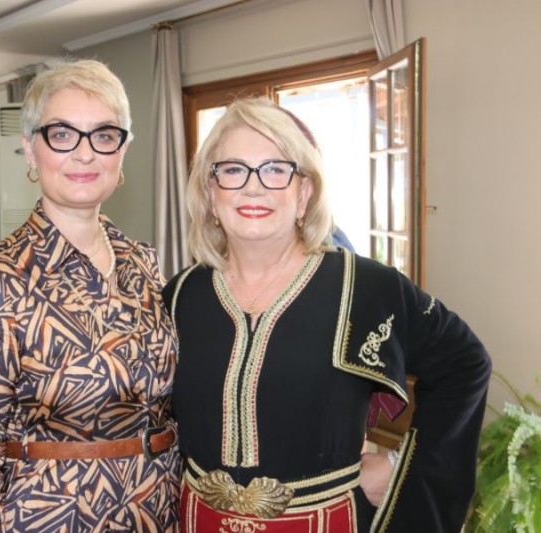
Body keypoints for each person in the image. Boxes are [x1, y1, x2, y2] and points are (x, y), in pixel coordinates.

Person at [163, 97, 491, 532]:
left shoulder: (369, 288)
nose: (253, 187)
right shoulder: (180, 295)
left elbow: (465, 364)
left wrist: (399, 464)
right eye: (233, 170)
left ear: (304, 194)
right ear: (209, 192)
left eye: (276, 169)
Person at [0, 59, 180, 532]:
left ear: (122, 150)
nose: (85, 154)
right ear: (31, 151)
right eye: (63, 134)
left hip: (157, 512)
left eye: (104, 135)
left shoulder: (144, 264)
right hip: (50, 517)